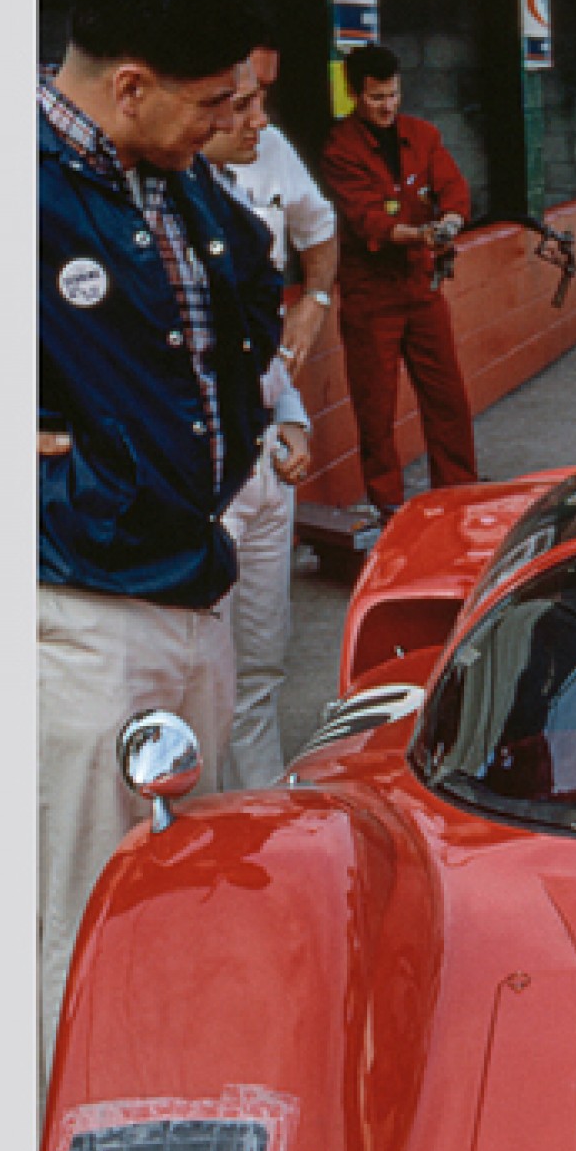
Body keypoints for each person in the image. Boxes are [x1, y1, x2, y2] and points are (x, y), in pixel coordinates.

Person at [38, 0, 283, 1078]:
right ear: (128, 84)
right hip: (78, 604)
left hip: (192, 580)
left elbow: (243, 315)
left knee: (195, 886)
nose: (223, 124)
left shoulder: (174, 183)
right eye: (206, 103)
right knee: (84, 913)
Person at [201, 41, 337, 790]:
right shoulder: (148, 207)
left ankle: (263, 820)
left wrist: (289, 410)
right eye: (243, 104)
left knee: (261, 659)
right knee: (202, 677)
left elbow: (258, 336)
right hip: (195, 476)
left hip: (261, 457)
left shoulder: (264, 175)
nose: (261, 122)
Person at [319, 44, 478, 518]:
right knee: (376, 408)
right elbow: (366, 218)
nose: (387, 106)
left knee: (447, 394)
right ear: (353, 94)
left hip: (422, 290)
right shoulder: (339, 149)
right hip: (372, 298)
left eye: (393, 95)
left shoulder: (423, 135)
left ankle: (458, 493)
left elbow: (453, 186)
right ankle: (388, 504)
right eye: (375, 98)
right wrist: (421, 234)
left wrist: (450, 218)